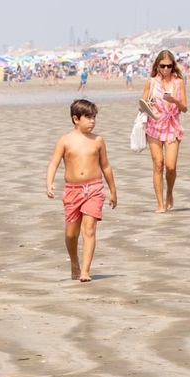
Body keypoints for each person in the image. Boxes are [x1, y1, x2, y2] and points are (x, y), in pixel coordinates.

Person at [44, 99, 118, 282]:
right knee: (71, 234)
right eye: (88, 118)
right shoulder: (64, 141)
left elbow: (106, 166)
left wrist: (113, 190)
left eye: (94, 117)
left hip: (94, 189)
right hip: (72, 191)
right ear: (76, 119)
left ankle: (85, 271)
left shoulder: (98, 141)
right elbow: (53, 163)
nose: (92, 121)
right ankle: (74, 263)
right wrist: (49, 182)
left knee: (89, 230)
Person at [140, 49, 187, 212]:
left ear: (173, 66)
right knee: (158, 164)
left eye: (169, 66)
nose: (166, 69)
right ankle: (160, 203)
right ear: (157, 66)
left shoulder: (178, 82)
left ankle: (170, 192)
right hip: (154, 125)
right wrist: (148, 106)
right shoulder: (151, 82)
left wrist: (174, 100)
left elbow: (185, 108)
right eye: (162, 66)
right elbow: (141, 106)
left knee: (171, 166)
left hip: (172, 125)